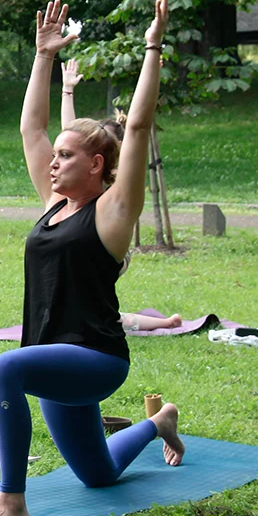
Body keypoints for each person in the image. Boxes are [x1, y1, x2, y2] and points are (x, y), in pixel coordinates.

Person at [0, 0, 184, 516]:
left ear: (97, 164)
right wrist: (43, 55)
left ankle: (12, 502)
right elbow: (30, 130)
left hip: (96, 359)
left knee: (5, 366)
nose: (52, 161)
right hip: (56, 360)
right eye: (54, 155)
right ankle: (161, 422)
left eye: (66, 155)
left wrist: (153, 47)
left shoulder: (112, 214)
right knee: (99, 475)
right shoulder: (54, 203)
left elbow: (136, 128)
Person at [61, 59, 181, 335]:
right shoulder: (99, 168)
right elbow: (70, 134)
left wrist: (152, 59)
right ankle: (164, 323)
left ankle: (159, 323)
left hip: (105, 245)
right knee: (89, 308)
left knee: (86, 311)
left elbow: (138, 127)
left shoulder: (116, 172)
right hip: (98, 244)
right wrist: (67, 91)